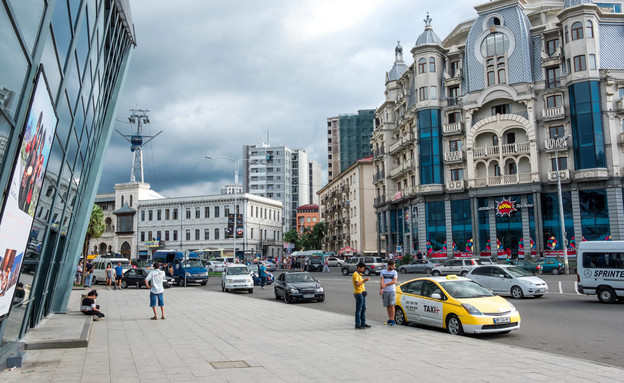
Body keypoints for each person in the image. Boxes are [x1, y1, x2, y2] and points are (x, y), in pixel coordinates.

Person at [353, 262, 371, 329]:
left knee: (363, 309)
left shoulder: (359, 274)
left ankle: (363, 323)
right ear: (359, 268)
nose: (363, 270)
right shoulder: (355, 274)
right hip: (358, 294)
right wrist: (364, 280)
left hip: (362, 293)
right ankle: (357, 324)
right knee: (359, 309)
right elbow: (357, 284)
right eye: (363, 268)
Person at [380, 259, 398, 326]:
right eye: (393, 266)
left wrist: (386, 284)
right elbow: (382, 280)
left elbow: (394, 281)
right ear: (389, 265)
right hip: (385, 291)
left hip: (392, 290)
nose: (394, 267)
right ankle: (390, 319)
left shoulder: (394, 272)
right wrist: (381, 288)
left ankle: (393, 320)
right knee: (387, 305)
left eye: (394, 266)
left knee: (392, 305)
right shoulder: (383, 272)